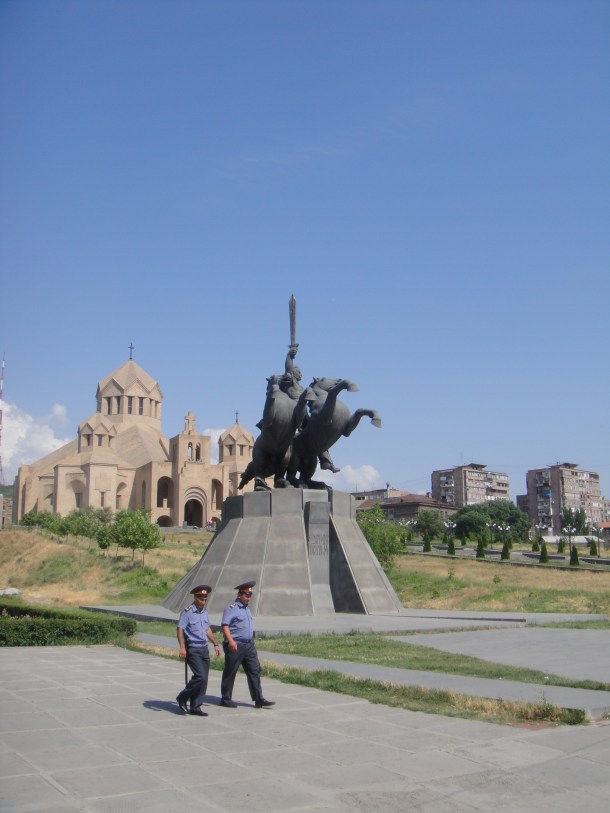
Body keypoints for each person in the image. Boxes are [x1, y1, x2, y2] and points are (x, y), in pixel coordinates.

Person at [219, 580, 275, 709]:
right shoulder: (231, 608)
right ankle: (226, 698)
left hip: (249, 646)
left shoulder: (247, 609)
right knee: (230, 671)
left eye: (250, 595)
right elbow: (225, 626)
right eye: (246, 595)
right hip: (235, 645)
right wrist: (231, 641)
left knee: (254, 670)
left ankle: (258, 698)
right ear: (239, 595)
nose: (248, 597)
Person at [176, 584, 221, 716]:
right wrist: (182, 647)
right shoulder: (187, 612)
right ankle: (182, 697)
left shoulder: (204, 612)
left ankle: (196, 706)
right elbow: (180, 629)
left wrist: (215, 644)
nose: (203, 601)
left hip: (203, 648)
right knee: (200, 676)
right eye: (201, 598)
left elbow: (207, 629)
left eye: (205, 598)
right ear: (195, 597)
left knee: (204, 679)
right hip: (193, 648)